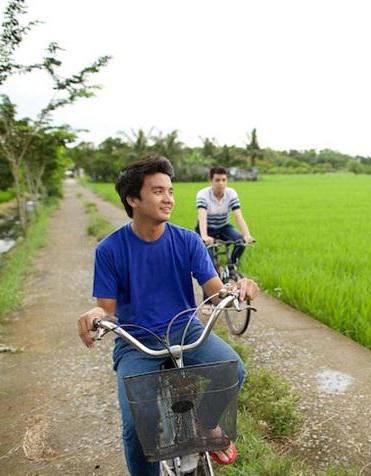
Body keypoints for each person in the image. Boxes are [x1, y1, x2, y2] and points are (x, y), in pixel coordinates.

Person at [77, 156, 260, 475]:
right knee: (137, 427)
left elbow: (215, 291)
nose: (169, 198)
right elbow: (105, 308)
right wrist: (95, 314)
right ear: (133, 199)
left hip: (186, 332)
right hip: (137, 342)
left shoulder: (187, 241)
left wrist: (237, 288)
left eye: (171, 191)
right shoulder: (110, 250)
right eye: (158, 191)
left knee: (232, 370)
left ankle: (205, 426)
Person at [196, 166, 254, 265]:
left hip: (223, 227)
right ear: (211, 181)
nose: (221, 183)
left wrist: (247, 235)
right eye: (217, 180)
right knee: (209, 261)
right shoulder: (203, 194)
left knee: (241, 242)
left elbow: (238, 216)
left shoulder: (231, 193)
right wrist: (204, 236)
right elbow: (202, 217)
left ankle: (232, 265)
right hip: (206, 228)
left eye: (224, 180)